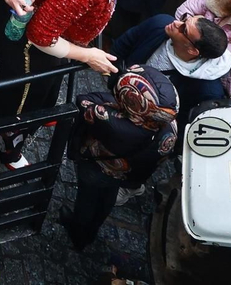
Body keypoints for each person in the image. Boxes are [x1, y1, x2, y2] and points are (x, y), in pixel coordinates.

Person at [59, 66, 180, 251]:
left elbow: (84, 101)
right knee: (107, 198)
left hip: (97, 167)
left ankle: (78, 233)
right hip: (123, 174)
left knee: (87, 199)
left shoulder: (111, 122)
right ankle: (92, 231)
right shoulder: (169, 126)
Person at [105, 13, 231, 120]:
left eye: (183, 30)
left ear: (193, 51)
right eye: (184, 19)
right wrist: (114, 81)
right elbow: (122, 46)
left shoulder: (207, 90)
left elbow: (183, 120)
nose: (176, 23)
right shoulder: (160, 24)